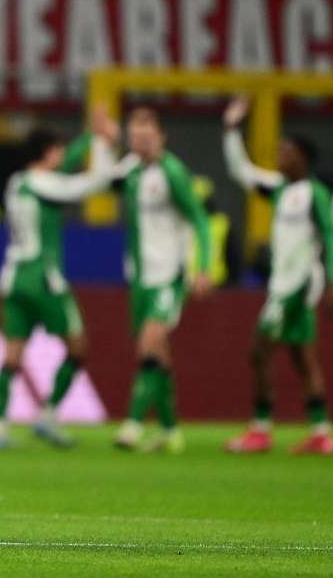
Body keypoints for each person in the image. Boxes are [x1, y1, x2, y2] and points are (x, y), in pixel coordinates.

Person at [0, 111, 137, 449]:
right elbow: (93, 182)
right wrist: (103, 142)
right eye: (59, 150)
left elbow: (63, 168)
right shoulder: (47, 185)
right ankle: (49, 414)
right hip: (43, 277)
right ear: (49, 152)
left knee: (13, 354)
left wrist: (89, 136)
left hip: (12, 277)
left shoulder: (18, 182)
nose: (64, 156)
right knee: (78, 346)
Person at [222, 97, 333, 455]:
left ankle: (261, 430)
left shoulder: (315, 194)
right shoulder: (280, 190)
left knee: (258, 351)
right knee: (302, 358)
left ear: (302, 157)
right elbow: (241, 171)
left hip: (299, 284)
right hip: (286, 284)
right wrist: (231, 129)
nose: (279, 155)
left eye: (286, 151)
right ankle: (321, 432)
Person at [114, 107, 213, 454]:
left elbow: (200, 220)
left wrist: (204, 267)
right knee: (160, 354)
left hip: (169, 274)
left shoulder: (171, 171)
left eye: (146, 134)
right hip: (141, 277)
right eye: (134, 134)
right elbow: (97, 180)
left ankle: (133, 423)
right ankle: (171, 432)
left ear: (161, 137)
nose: (139, 140)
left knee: (149, 341)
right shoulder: (132, 173)